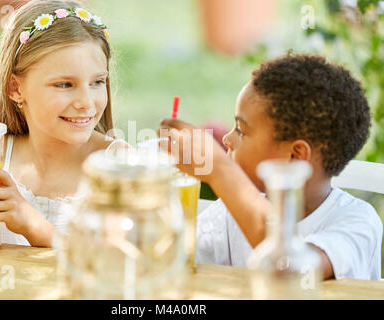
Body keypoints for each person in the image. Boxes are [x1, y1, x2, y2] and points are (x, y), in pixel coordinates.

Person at [160, 53, 383, 280]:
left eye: (241, 130)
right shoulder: (229, 214)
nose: (227, 139)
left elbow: (291, 270)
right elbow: (169, 260)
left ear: (295, 155)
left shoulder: (357, 222)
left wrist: (220, 170)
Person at [0, 0, 127, 247]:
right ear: (16, 88)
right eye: (65, 84)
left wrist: (30, 223)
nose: (86, 102)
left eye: (97, 82)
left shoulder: (119, 164)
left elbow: (114, 260)